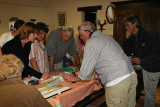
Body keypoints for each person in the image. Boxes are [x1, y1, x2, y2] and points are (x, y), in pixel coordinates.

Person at [62, 21, 137, 107]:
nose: (81, 38)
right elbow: (106, 58)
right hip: (131, 76)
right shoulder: (104, 36)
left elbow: (85, 73)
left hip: (118, 81)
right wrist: (98, 75)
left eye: (81, 35)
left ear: (87, 32)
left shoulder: (91, 42)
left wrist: (75, 77)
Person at [123, 15, 160, 107]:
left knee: (150, 93)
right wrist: (126, 39)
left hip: (153, 66)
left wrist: (142, 60)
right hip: (141, 63)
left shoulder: (149, 35)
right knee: (123, 61)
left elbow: (158, 53)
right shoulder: (132, 36)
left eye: (127, 25)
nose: (126, 28)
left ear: (135, 24)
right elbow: (127, 52)